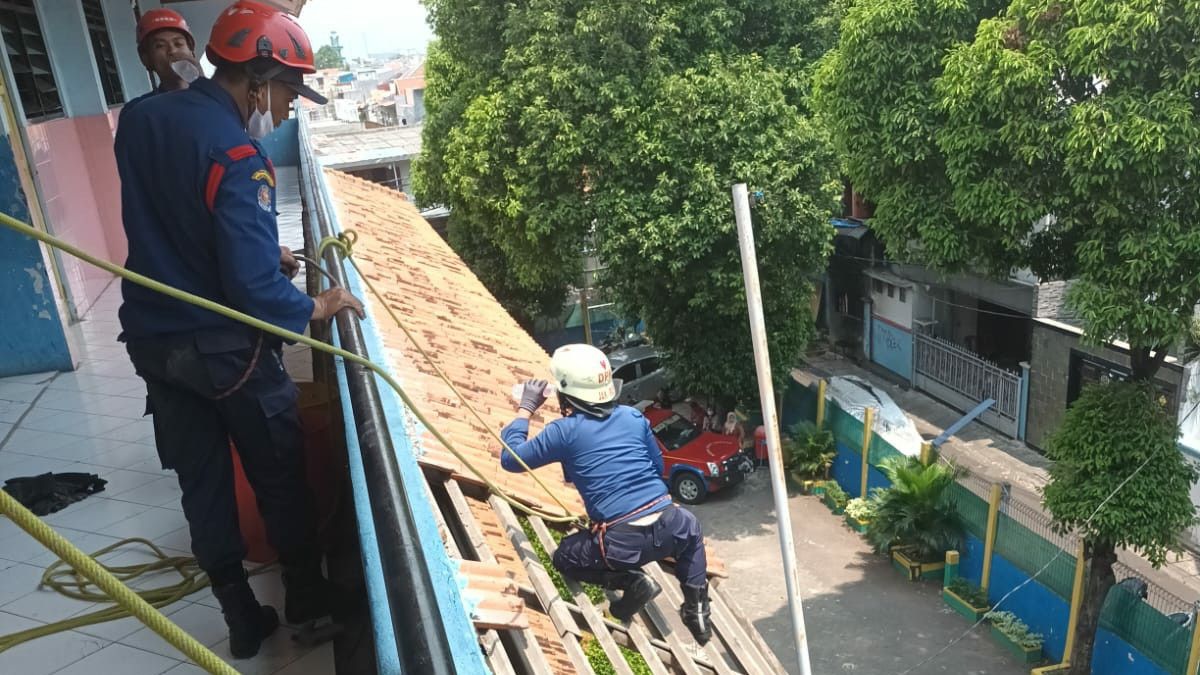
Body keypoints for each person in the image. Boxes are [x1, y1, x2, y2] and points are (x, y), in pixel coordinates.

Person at [115, 1, 361, 659]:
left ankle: (242, 619)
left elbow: (170, 213)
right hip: (223, 349)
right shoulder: (240, 154)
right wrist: (318, 304)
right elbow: (252, 290)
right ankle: (306, 599)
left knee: (203, 483)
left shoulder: (137, 120)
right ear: (256, 76)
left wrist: (256, 248)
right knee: (278, 470)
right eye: (284, 93)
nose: (284, 110)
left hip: (154, 341)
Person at [500, 344, 713, 644]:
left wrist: (526, 408)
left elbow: (511, 459)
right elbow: (655, 464)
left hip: (620, 543)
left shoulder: (563, 431)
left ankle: (633, 579)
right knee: (691, 534)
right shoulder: (632, 417)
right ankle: (698, 613)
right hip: (671, 523)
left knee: (565, 556)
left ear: (565, 392)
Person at [123, 9, 203, 116]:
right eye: (160, 46)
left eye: (178, 44)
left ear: (192, 52)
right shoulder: (138, 112)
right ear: (145, 59)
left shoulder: (218, 99)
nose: (172, 51)